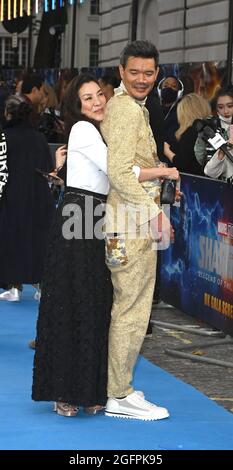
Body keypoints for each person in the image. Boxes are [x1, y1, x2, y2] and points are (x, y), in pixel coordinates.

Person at [32, 73, 113, 417]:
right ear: (75, 106)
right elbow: (114, 170)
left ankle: (87, 389)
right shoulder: (83, 129)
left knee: (93, 301)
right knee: (73, 301)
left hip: (90, 216)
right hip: (78, 218)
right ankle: (65, 390)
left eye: (98, 95)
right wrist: (157, 171)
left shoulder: (97, 131)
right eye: (87, 98)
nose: (96, 102)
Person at [101, 40, 174, 421]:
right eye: (135, 72)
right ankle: (119, 394)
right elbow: (118, 172)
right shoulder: (127, 110)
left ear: (157, 73)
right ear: (121, 71)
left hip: (125, 222)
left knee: (128, 306)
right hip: (130, 223)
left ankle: (118, 385)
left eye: (149, 73)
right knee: (132, 309)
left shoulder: (130, 107)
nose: (142, 79)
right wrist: (153, 215)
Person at [0, 96, 55, 301]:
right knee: (38, 241)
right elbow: (47, 168)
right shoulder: (39, 137)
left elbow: (1, 170)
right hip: (38, 194)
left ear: (9, 113)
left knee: (11, 240)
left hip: (12, 195)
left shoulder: (4, 137)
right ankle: (41, 286)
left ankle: (14, 288)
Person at [164, 93, 211, 175]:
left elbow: (183, 164)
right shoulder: (209, 129)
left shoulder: (191, 132)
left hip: (194, 181)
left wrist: (167, 151)